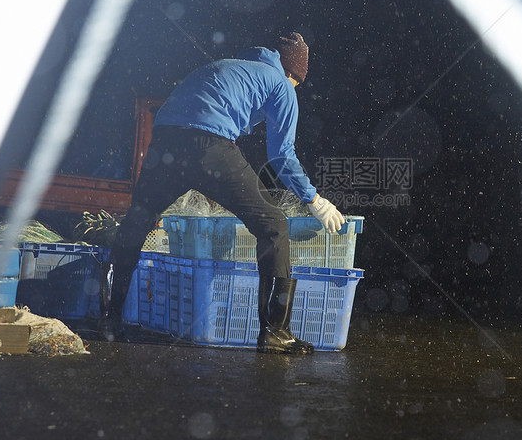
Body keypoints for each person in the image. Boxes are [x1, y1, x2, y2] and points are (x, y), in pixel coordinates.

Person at [99, 32, 345, 354]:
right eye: (299, 82)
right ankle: (276, 332)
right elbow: (281, 155)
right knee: (274, 225)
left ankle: (110, 321)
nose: (296, 89)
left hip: (164, 142)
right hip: (209, 144)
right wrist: (314, 200)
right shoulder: (282, 84)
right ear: (293, 73)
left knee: (137, 222)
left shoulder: (233, 67)